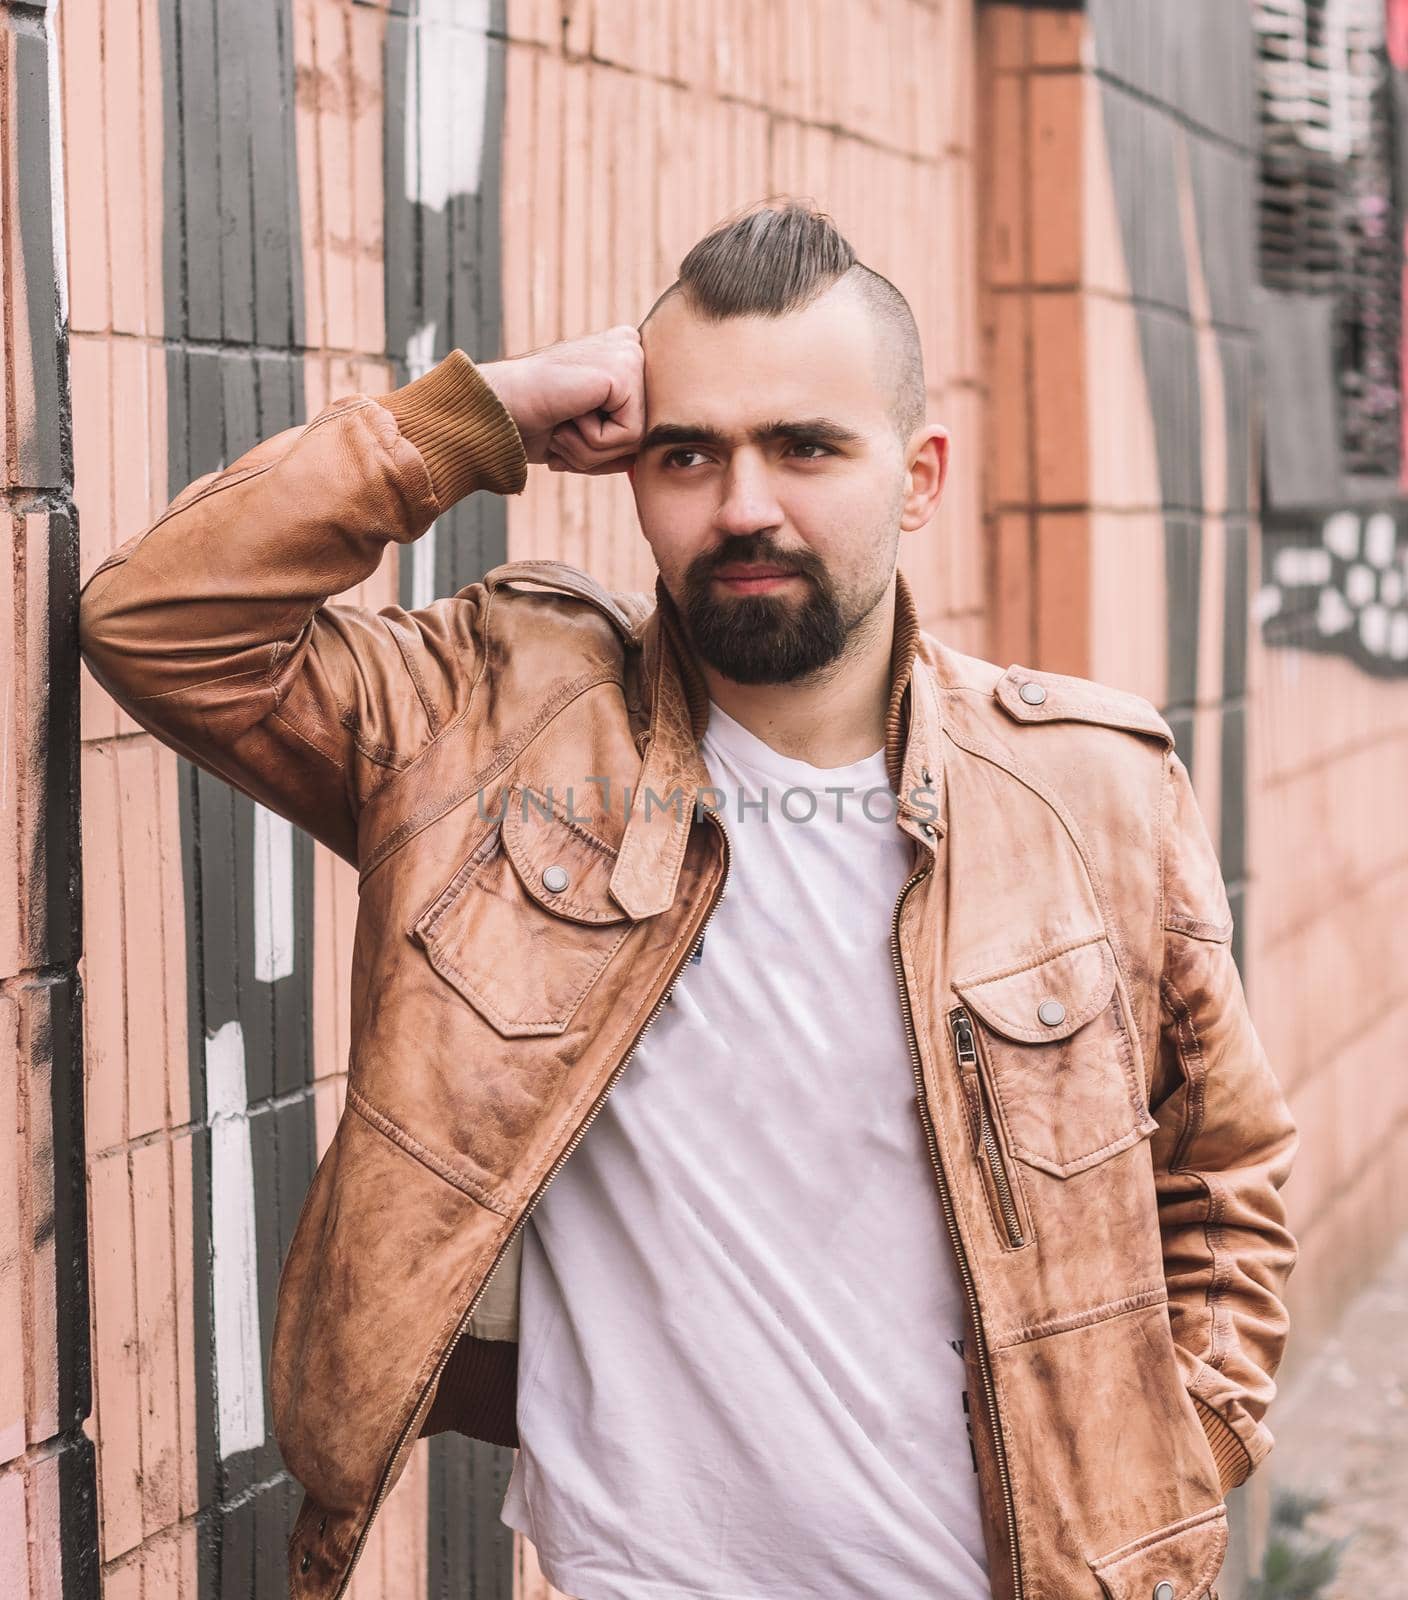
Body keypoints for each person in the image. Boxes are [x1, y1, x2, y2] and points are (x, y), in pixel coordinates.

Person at [78, 200, 1297, 1600]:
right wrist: (492, 418)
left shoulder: (1091, 792)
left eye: (807, 446)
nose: (744, 506)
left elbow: (1227, 1169)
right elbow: (161, 623)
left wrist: (1177, 1450)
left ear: (919, 476)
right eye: (689, 453)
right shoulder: (489, 731)